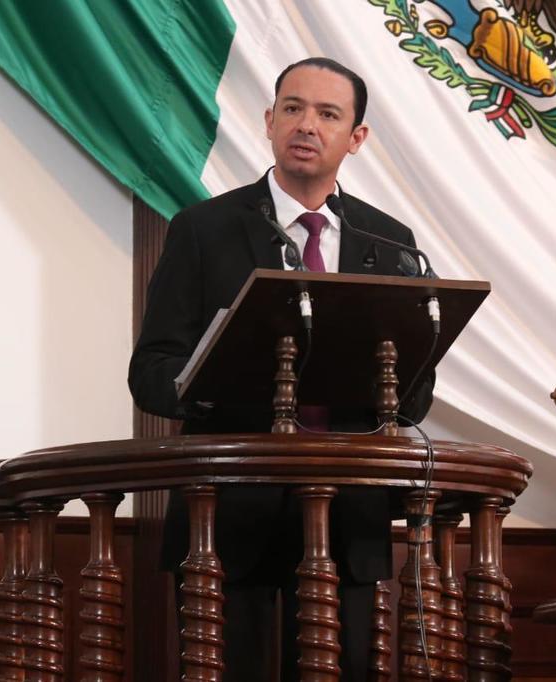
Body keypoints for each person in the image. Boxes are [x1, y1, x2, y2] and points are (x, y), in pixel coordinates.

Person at [128, 58, 433, 680]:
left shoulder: (390, 242)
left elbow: (416, 388)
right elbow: (152, 371)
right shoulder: (203, 229)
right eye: (293, 108)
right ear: (269, 121)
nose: (306, 125)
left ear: (356, 137)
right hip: (226, 512)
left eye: (328, 114)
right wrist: (217, 380)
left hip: (346, 515)